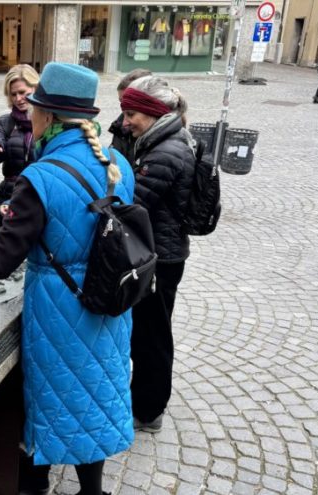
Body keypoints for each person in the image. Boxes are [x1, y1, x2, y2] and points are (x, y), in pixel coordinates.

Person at [0, 62, 135, 495]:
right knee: (93, 390)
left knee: (49, 392)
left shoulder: (40, 177)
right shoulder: (117, 160)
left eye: (36, 108)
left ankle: (34, 481)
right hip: (109, 297)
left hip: (60, 304)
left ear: (47, 118)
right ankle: (91, 489)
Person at [120, 75, 195, 433]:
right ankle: (145, 400)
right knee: (149, 332)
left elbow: (134, 205)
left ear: (151, 113)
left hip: (161, 258)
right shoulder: (162, 141)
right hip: (163, 252)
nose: (125, 122)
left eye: (131, 113)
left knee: (152, 336)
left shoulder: (165, 151)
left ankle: (149, 409)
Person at [0, 64, 38, 227]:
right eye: (13, 94)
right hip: (11, 191)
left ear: (35, 88)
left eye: (22, 92)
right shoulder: (5, 122)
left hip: (37, 191)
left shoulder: (47, 121)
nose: (18, 98)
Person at [108, 68, 152, 165]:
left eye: (129, 104)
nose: (124, 108)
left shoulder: (159, 143)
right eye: (121, 102)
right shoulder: (119, 126)